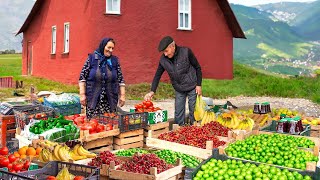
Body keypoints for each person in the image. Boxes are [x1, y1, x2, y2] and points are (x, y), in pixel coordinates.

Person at [144, 36, 202, 125]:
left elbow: (197, 67)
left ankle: (194, 128)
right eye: (163, 52)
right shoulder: (163, 60)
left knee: (193, 110)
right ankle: (179, 130)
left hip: (192, 86)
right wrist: (152, 91)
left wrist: (199, 84)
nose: (165, 54)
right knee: (178, 113)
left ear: (173, 46)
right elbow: (157, 75)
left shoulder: (186, 52)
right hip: (179, 88)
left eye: (166, 51)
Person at [79, 37, 126, 119]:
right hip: (93, 99)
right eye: (109, 47)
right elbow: (82, 77)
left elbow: (120, 79)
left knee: (110, 123)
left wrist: (122, 95)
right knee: (93, 124)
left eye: (112, 48)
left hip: (110, 100)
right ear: (103, 46)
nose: (111, 50)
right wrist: (82, 94)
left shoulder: (114, 61)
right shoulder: (92, 58)